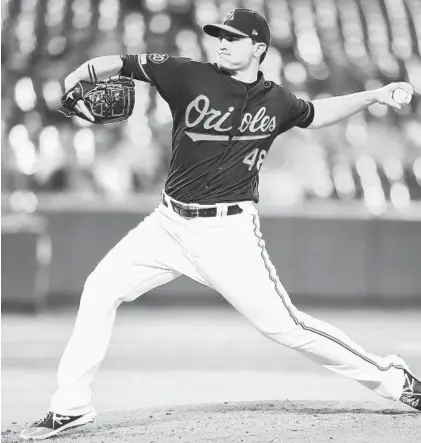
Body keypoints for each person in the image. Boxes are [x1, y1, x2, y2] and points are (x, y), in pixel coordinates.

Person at [21, 8, 420, 440]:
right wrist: (75, 78)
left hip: (228, 235)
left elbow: (316, 113)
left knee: (287, 328)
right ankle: (70, 408)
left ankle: (394, 379)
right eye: (219, 35)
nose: (222, 42)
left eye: (233, 37)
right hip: (167, 225)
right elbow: (122, 62)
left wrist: (374, 95)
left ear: (259, 48)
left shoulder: (277, 100)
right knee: (99, 289)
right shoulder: (187, 74)